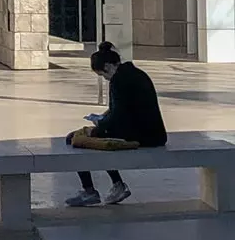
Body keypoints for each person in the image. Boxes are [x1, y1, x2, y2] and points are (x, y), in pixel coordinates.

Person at [63, 41, 165, 207]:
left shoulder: (118, 80)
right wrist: (102, 121)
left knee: (75, 139)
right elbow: (123, 108)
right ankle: (115, 184)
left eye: (103, 75)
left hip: (141, 134)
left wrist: (98, 128)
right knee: (94, 137)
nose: (105, 79)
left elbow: (118, 115)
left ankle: (90, 190)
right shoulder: (136, 73)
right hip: (151, 131)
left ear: (108, 67)